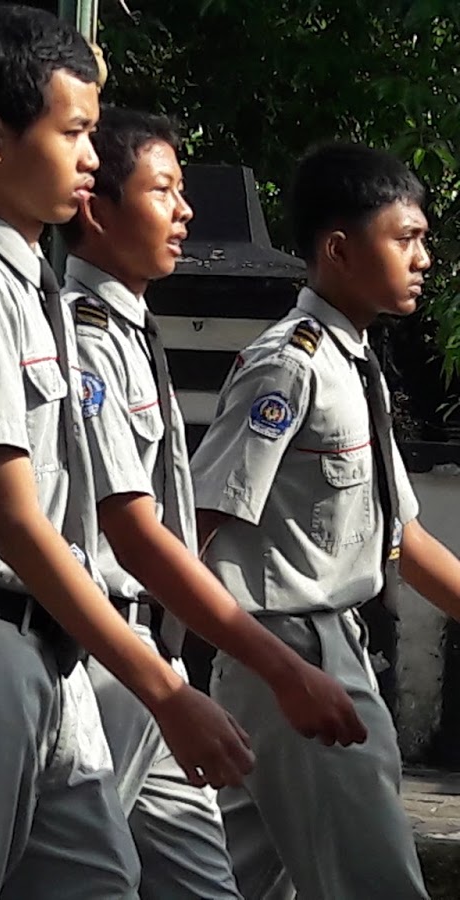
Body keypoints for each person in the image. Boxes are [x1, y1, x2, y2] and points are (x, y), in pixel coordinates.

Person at [0, 6, 256, 898]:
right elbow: (15, 522)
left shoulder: (32, 294)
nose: (89, 157)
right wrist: (164, 689)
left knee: (100, 883)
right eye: (73, 132)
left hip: (50, 656)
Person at [60, 107, 367, 900]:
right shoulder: (84, 342)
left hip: (148, 657)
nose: (185, 212)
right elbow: (135, 533)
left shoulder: (131, 332)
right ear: (97, 208)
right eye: (163, 190)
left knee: (207, 887)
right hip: (92, 662)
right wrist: (280, 667)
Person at [192, 142, 460, 899]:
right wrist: (160, 667)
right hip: (292, 652)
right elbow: (202, 517)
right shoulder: (291, 365)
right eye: (405, 238)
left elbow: (401, 538)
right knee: (376, 882)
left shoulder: (353, 366)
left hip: (320, 649)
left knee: (229, 880)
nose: (423, 259)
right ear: (339, 249)